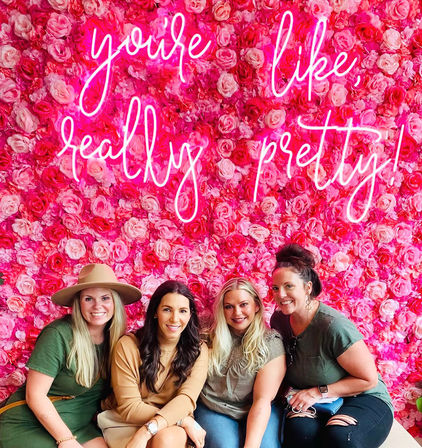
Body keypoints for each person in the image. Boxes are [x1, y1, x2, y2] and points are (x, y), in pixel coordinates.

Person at [0, 263, 142, 448]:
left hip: (79, 426)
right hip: (31, 424)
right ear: (79, 303)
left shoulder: (118, 341)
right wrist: (65, 440)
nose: (97, 306)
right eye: (88, 299)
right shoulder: (58, 334)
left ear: (115, 302)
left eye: (105, 298)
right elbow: (35, 395)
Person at [270, 243, 394, 448]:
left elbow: (368, 379)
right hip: (317, 400)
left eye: (288, 286)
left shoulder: (333, 326)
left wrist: (317, 392)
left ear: (308, 287)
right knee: (299, 433)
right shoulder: (280, 320)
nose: (280, 294)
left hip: (363, 397)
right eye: (275, 288)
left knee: (340, 438)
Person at [98, 280, 208, 448]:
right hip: (126, 422)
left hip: (170, 425)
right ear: (156, 312)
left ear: (190, 314)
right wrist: (181, 419)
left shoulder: (198, 350)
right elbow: (130, 408)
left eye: (183, 311)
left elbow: (186, 399)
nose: (175, 318)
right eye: (167, 310)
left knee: (166, 440)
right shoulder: (128, 345)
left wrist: (148, 430)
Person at [195, 278, 286, 448]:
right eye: (229, 306)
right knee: (225, 446)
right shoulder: (209, 338)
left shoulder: (270, 342)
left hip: (257, 407)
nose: (237, 313)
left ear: (256, 306)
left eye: (244, 304)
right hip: (214, 406)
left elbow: (262, 401)